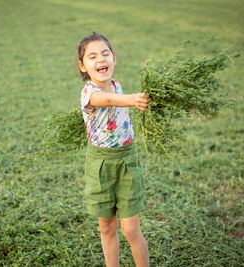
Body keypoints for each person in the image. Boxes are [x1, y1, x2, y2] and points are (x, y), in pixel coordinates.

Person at [78, 32, 151, 267]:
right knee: (107, 226)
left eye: (105, 53)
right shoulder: (89, 93)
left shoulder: (117, 85)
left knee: (131, 229)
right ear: (83, 66)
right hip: (100, 165)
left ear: (114, 59)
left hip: (127, 162)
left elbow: (116, 101)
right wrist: (132, 99)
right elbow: (105, 101)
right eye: (92, 56)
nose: (100, 59)